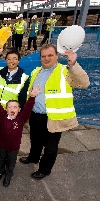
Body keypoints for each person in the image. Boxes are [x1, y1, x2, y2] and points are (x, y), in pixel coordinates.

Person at [19, 44, 90, 180]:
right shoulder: (36, 71)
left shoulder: (65, 71)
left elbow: (84, 83)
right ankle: (33, 157)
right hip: (36, 115)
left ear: (57, 56)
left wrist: (73, 64)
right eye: (43, 56)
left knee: (51, 147)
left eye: (50, 55)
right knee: (35, 140)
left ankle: (45, 170)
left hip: (54, 117)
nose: (46, 59)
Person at [0, 85, 40, 187]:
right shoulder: (2, 116)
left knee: (11, 164)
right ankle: (0, 172)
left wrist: (32, 97)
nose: (12, 109)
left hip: (13, 148)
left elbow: (28, 109)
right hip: (2, 146)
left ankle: (8, 176)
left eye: (15, 107)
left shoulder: (21, 118)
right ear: (6, 109)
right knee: (0, 160)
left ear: (19, 109)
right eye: (10, 107)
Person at [0, 47, 30, 153]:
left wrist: (19, 114)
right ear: (6, 60)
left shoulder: (24, 77)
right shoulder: (0, 72)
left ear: (18, 61)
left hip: (10, 112)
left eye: (14, 58)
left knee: (9, 131)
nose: (12, 61)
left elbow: (23, 98)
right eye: (9, 59)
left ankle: (8, 148)